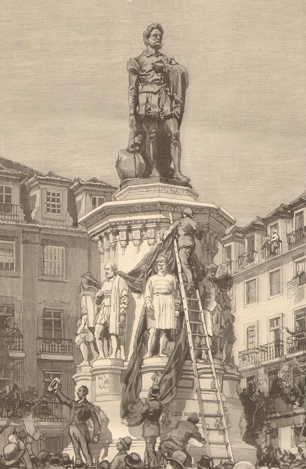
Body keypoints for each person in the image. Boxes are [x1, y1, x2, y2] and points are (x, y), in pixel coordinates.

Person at [127, 23, 190, 183]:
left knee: (174, 134)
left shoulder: (167, 60)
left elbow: (182, 72)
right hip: (147, 100)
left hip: (165, 99)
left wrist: (166, 69)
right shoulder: (137, 61)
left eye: (160, 36)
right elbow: (132, 89)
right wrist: (132, 113)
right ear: (146, 39)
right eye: (155, 35)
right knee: (152, 136)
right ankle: (154, 168)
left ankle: (177, 171)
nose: (158, 38)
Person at [49, 379, 101, 466]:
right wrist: (56, 391)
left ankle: (90, 466)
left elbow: (95, 421)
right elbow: (64, 400)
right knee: (76, 450)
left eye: (80, 391)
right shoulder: (74, 403)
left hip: (81, 429)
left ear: (85, 393)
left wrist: (96, 435)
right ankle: (79, 466)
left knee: (85, 451)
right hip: (72, 428)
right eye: (78, 391)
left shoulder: (89, 406)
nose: (78, 393)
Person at [144, 255, 180, 358]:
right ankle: (149, 352)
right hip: (156, 302)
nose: (160, 267)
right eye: (158, 265)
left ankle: (162, 352)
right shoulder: (152, 279)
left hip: (168, 302)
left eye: (162, 264)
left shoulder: (171, 278)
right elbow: (148, 292)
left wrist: (176, 308)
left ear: (166, 265)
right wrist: (148, 302)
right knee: (153, 329)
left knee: (164, 330)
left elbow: (176, 294)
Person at [94, 261, 129, 359]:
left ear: (113, 270)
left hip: (114, 310)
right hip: (104, 309)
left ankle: (114, 353)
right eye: (105, 269)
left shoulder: (120, 281)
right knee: (97, 331)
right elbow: (98, 302)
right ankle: (101, 354)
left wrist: (122, 311)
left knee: (114, 333)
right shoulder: (104, 283)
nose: (106, 271)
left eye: (108, 269)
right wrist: (98, 297)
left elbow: (124, 297)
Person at [162, 207, 203, 288]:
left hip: (183, 244)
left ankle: (190, 283)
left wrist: (163, 239)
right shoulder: (192, 222)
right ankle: (194, 276)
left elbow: (169, 230)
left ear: (184, 214)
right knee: (190, 262)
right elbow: (198, 230)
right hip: (191, 245)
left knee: (184, 264)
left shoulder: (180, 221)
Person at [197, 264, 222, 360]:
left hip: (215, 308)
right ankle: (204, 352)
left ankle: (212, 351)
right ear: (206, 271)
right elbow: (200, 295)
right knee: (207, 330)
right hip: (206, 308)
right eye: (211, 272)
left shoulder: (215, 284)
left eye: (214, 272)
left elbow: (217, 296)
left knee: (215, 330)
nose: (213, 274)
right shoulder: (202, 283)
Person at [139, 385, 163, 467]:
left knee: (150, 449)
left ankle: (154, 465)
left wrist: (143, 404)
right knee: (150, 448)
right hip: (155, 428)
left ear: (150, 393)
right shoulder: (159, 404)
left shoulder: (148, 404)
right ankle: (147, 464)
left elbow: (142, 413)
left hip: (149, 428)